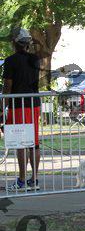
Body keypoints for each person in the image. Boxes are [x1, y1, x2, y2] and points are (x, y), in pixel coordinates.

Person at [2, 27, 41, 191]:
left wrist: (2, 107)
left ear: (14, 42)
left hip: (18, 105)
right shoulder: (35, 59)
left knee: (21, 143)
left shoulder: (10, 61)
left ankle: (22, 180)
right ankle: (34, 180)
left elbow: (7, 86)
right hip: (34, 104)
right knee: (34, 143)